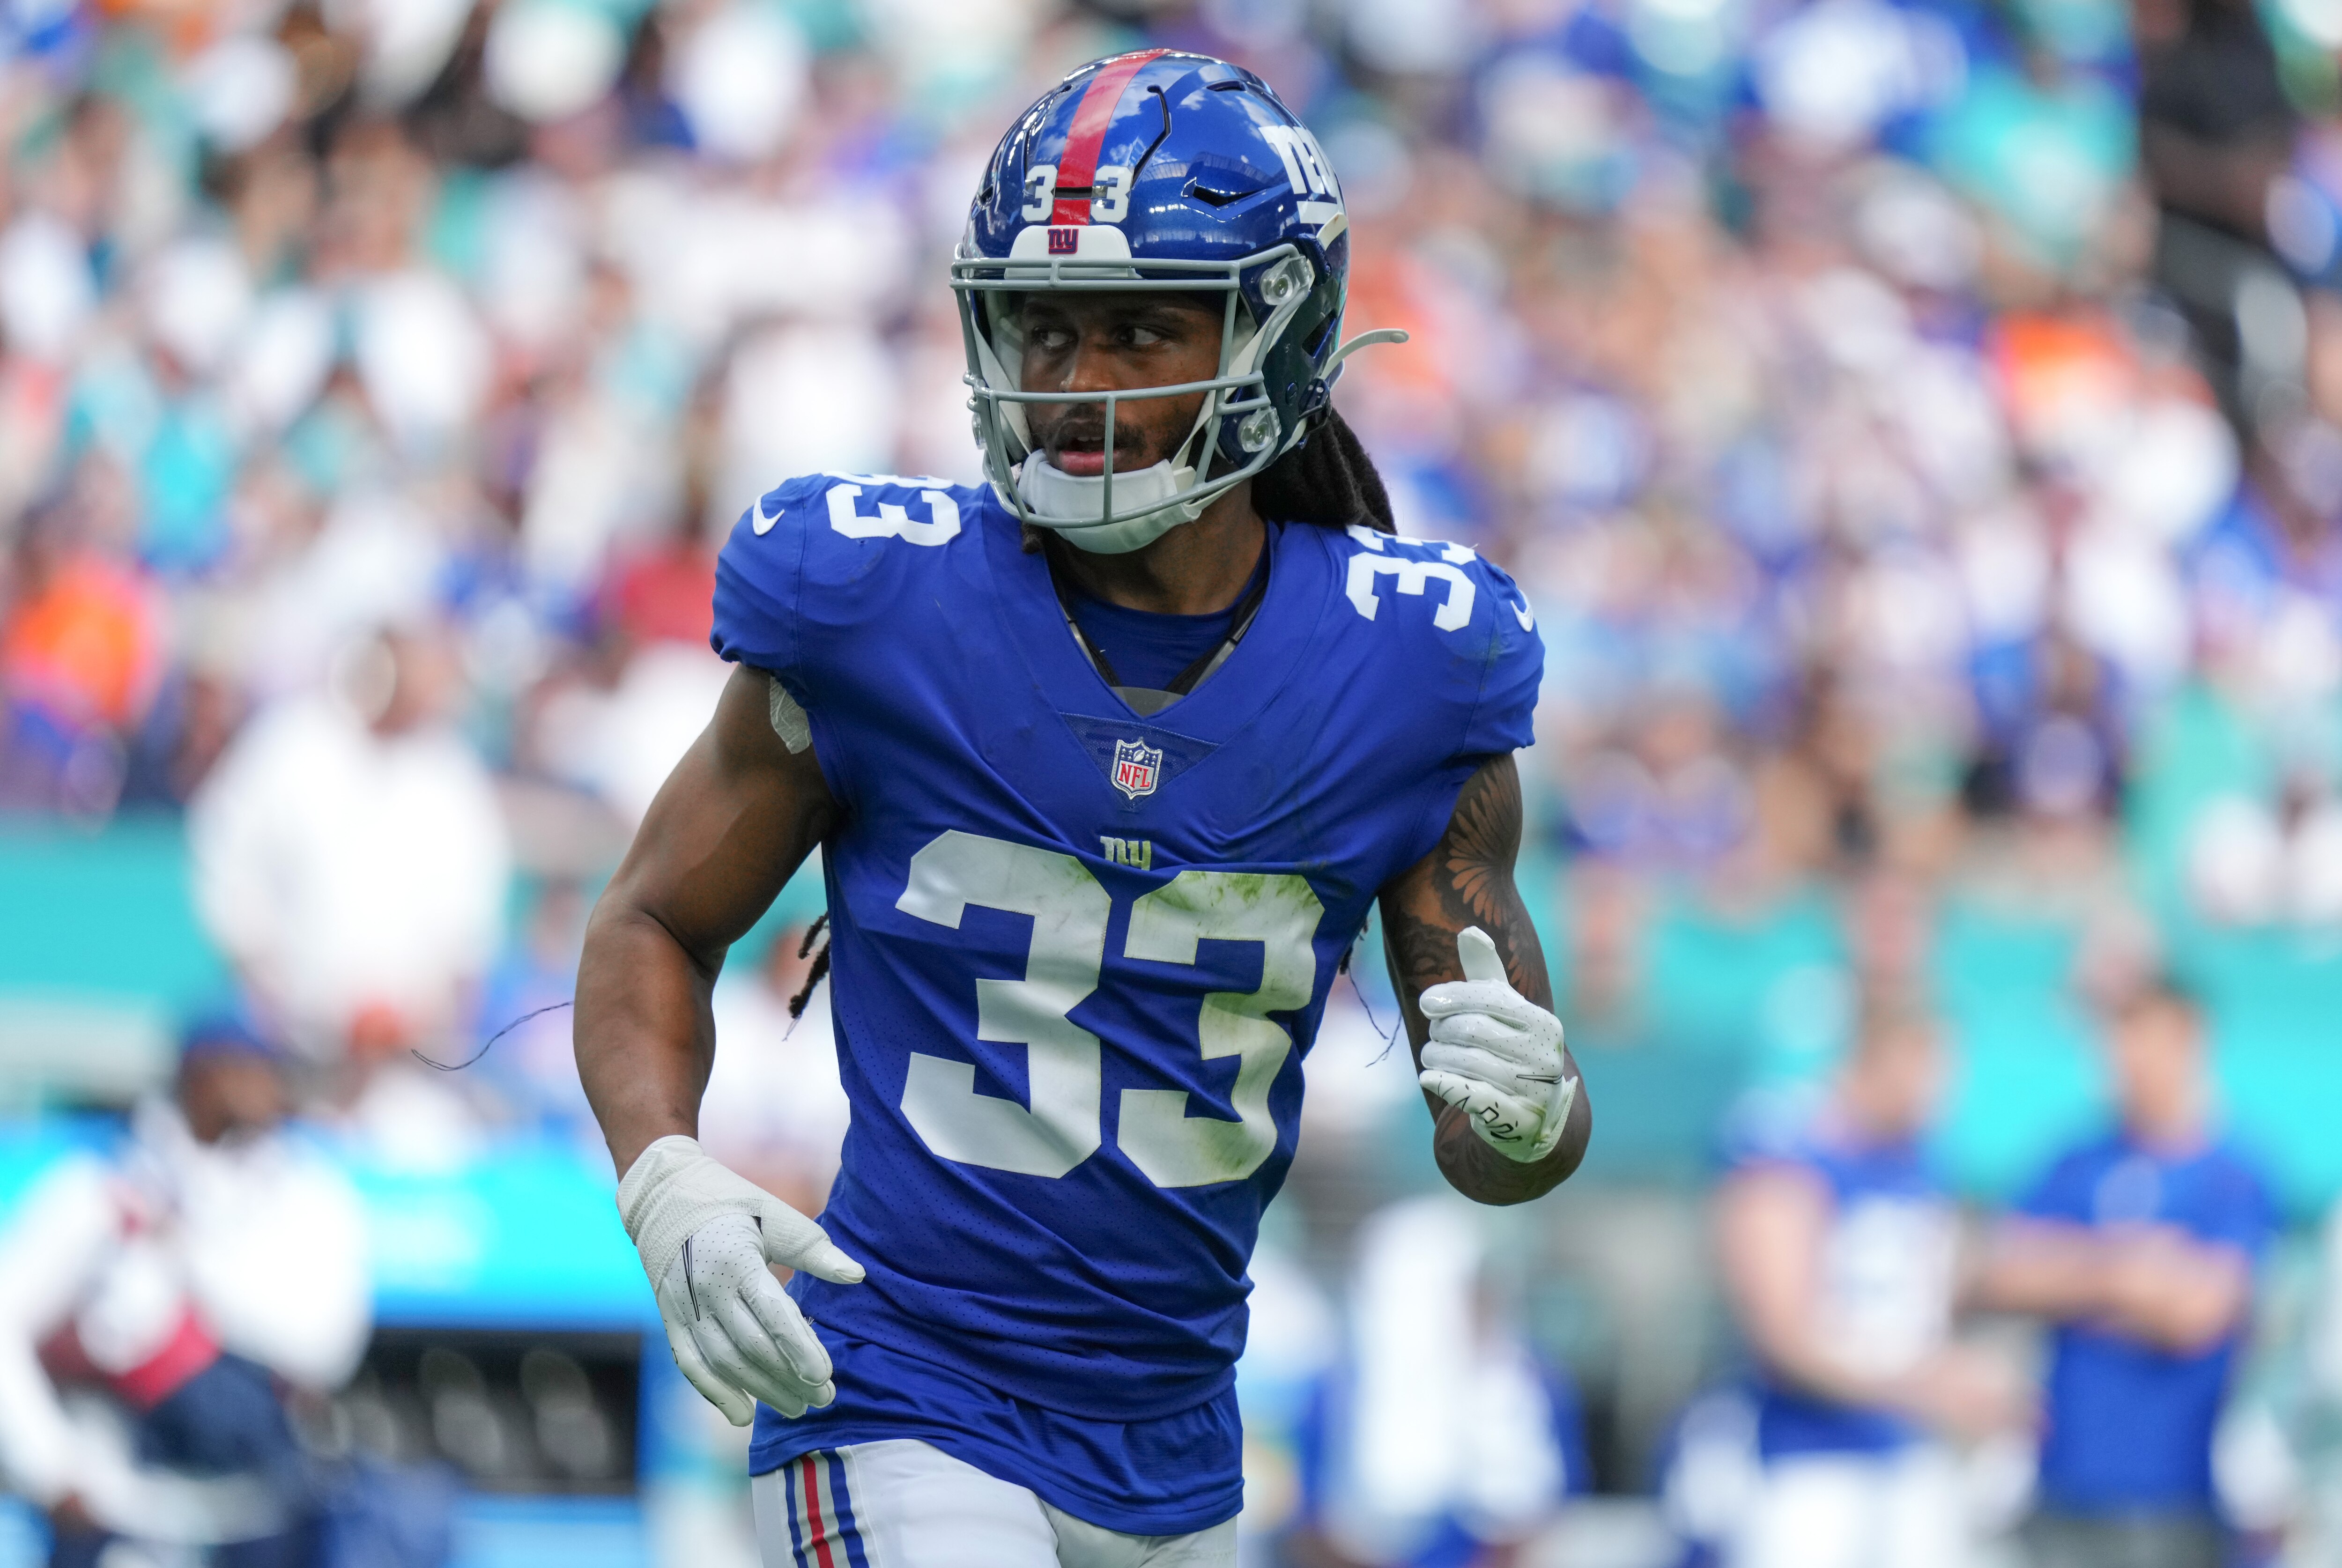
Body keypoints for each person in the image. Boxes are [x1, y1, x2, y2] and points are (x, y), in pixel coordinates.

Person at [571, 50, 1592, 1567]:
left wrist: (1541, 1107)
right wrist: (665, 1165)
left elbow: (1490, 1140)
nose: (1074, 384)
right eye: (1043, 327)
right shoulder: (874, 602)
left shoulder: (1411, 668)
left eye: (1135, 328)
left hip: (1176, 1440)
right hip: (898, 1381)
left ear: (1279, 335)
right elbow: (655, 911)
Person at [0, 1016, 371, 1568]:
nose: (267, 1088)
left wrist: (194, 1262)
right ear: (199, 1073)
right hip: (122, 1510)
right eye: (248, 1069)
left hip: (258, 1515)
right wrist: (49, 1468)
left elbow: (325, 1347)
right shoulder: (105, 1182)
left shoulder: (308, 1194)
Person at [1712, 996, 2026, 1568]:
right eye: (1929, 1066)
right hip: (1810, 1466)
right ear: (1883, 1057)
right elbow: (1784, 1336)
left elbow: (1933, 1301)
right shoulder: (1789, 1153)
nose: (1941, 1089)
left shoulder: (1924, 1161)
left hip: (1911, 1463)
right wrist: (1929, 1388)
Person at [1973, 977, 2277, 1568]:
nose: (2126, 1058)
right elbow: (1999, 1273)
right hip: (2063, 1480)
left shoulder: (2233, 1174)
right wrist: (2125, 1271)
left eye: (2145, 1037)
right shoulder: (2073, 1161)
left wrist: (2068, 1276)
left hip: (2174, 1489)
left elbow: (2198, 1312)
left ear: (2190, 1042)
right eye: (2116, 1038)